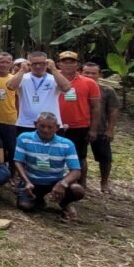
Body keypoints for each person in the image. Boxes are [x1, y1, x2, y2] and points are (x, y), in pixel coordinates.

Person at [14, 112, 86, 221]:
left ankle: (64, 203)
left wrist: (62, 183)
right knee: (25, 206)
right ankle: (39, 200)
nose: (45, 130)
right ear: (35, 124)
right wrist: (26, 182)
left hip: (55, 182)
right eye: (42, 126)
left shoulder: (67, 144)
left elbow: (76, 171)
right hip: (32, 181)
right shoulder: (24, 138)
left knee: (78, 190)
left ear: (57, 127)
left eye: (50, 127)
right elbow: (18, 162)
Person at [55, 51, 102, 187]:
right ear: (59, 64)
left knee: (79, 156)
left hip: (79, 125)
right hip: (55, 125)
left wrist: (93, 129)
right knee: (56, 155)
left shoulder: (89, 83)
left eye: (72, 62)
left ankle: (81, 183)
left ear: (78, 65)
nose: (68, 65)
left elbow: (95, 107)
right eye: (65, 62)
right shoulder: (51, 80)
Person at [7, 51, 71, 134]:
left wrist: (53, 69)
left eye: (42, 63)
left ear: (47, 63)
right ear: (29, 64)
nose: (38, 66)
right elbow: (10, 86)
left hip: (51, 124)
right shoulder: (23, 77)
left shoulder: (54, 78)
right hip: (26, 124)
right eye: (34, 64)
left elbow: (66, 88)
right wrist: (22, 70)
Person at [82, 62, 121, 194]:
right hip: (81, 127)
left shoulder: (107, 90)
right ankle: (82, 182)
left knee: (105, 158)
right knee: (81, 157)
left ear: (99, 75)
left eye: (93, 73)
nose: (90, 75)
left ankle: (104, 182)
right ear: (81, 73)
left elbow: (113, 110)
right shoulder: (76, 87)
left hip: (100, 129)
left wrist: (110, 129)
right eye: (87, 72)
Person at [0, 52, 19, 164]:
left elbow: (18, 100)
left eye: (7, 62)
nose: (4, 65)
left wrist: (18, 116)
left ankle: (13, 171)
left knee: (12, 148)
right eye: (1, 62)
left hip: (10, 119)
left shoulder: (15, 79)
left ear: (11, 64)